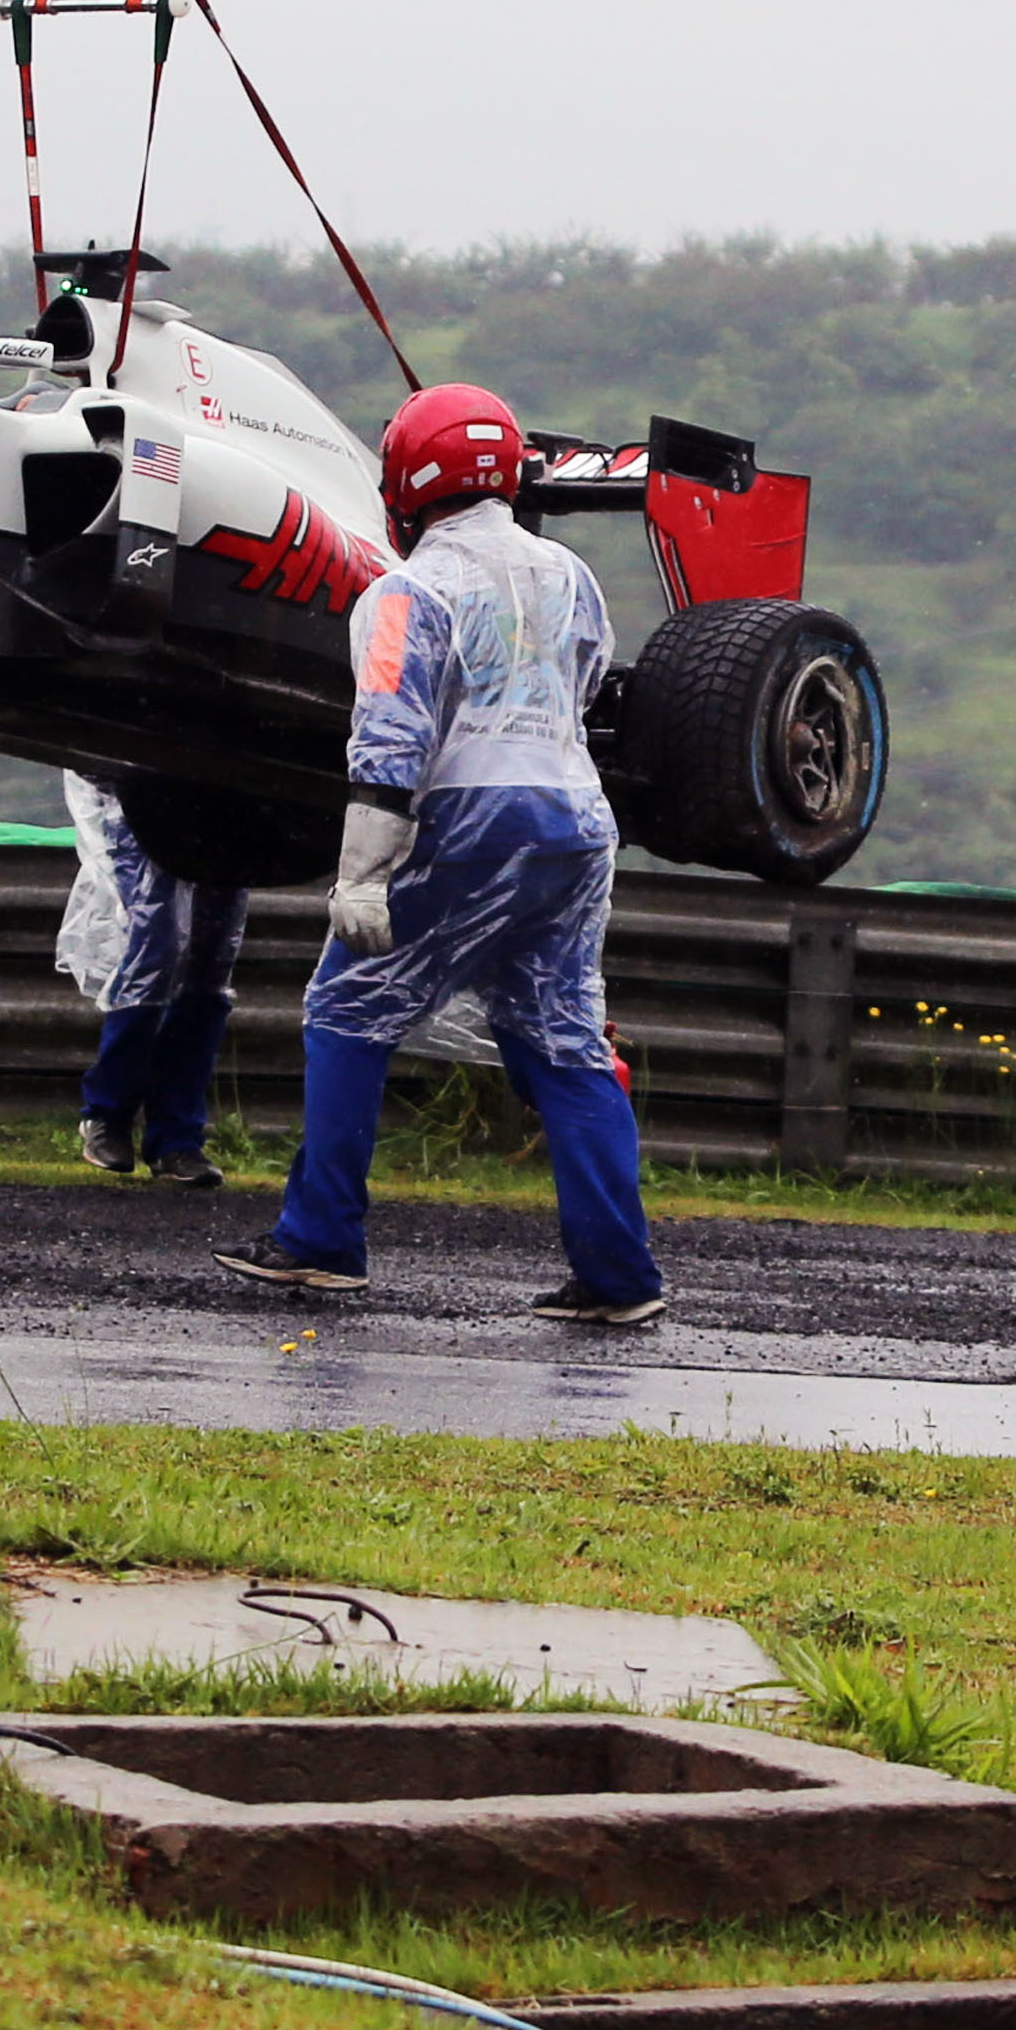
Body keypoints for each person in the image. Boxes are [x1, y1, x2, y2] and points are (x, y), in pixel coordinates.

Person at [222, 380, 666, 1324]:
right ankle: (620, 1279)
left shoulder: (403, 592)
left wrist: (361, 876)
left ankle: (319, 1242)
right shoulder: (571, 575)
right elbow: (586, 685)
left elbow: (388, 739)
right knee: (563, 1040)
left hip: (471, 818)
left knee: (347, 1007)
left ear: (407, 483)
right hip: (577, 819)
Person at [57, 773, 246, 1188]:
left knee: (209, 962)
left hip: (224, 809)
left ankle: (176, 1139)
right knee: (156, 945)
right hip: (141, 803)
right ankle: (107, 1116)